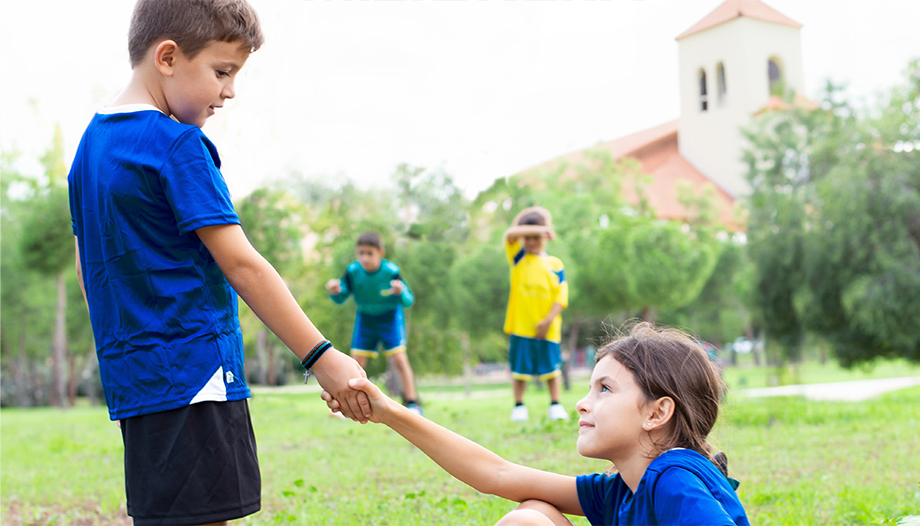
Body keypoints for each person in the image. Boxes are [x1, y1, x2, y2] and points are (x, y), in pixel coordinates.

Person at [68, 1, 370, 524]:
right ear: (167, 57)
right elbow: (242, 265)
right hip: (196, 374)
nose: (230, 91)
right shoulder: (178, 145)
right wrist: (321, 356)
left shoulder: (89, 149)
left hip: (135, 382)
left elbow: (87, 271)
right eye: (222, 71)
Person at [327, 322, 750, 526]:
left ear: (657, 413)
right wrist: (389, 412)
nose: (582, 405)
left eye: (605, 389)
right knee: (533, 515)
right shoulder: (624, 488)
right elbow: (499, 475)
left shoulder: (673, 478)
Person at [325, 231, 422, 415]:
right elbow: (340, 297)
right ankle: (345, 406)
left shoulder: (391, 271)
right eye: (361, 253)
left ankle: (412, 403)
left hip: (390, 319)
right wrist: (335, 291)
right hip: (365, 319)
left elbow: (409, 300)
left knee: (400, 359)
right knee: (355, 363)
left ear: (380, 252)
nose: (365, 258)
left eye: (369, 253)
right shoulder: (353, 271)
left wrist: (399, 292)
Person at [503, 206, 569, 421]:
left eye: (537, 237)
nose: (532, 241)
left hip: (549, 328)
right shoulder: (518, 258)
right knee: (520, 369)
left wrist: (548, 320)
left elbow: (561, 296)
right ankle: (519, 406)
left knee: (551, 369)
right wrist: (538, 227)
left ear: (546, 237)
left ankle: (555, 405)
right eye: (528, 237)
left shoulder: (555, 264)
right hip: (522, 326)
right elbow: (509, 235)